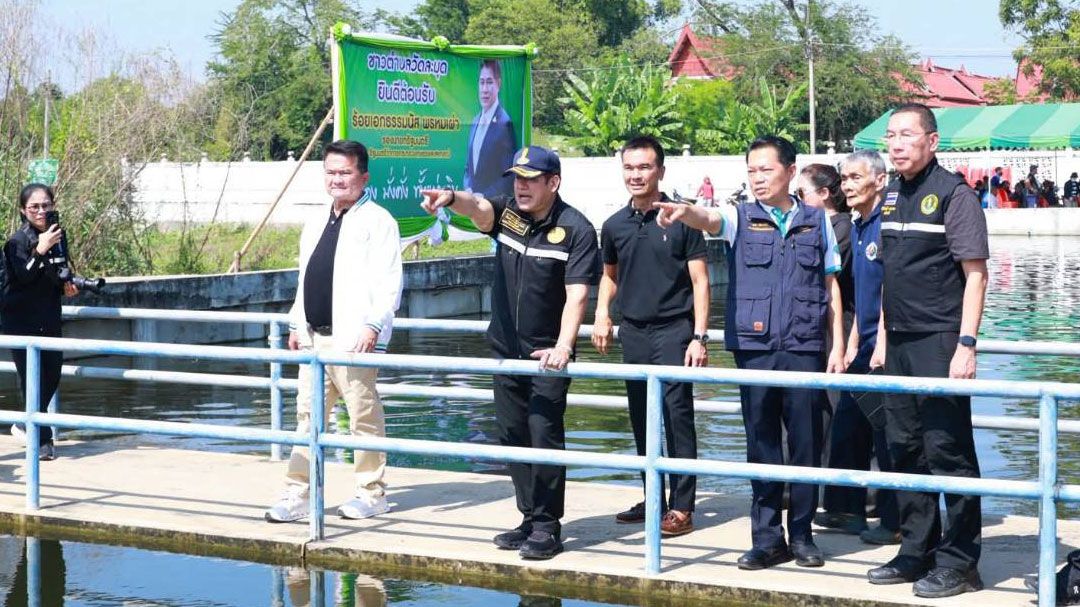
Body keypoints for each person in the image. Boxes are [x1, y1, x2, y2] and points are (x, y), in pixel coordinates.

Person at [656, 135, 846, 571]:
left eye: (766, 169)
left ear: (790, 171)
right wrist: (686, 211)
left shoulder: (817, 222)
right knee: (761, 443)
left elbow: (831, 286)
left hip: (804, 347)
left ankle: (803, 536)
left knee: (806, 444)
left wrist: (836, 346)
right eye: (752, 171)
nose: (758, 178)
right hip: (756, 348)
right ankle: (767, 539)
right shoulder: (740, 217)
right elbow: (709, 219)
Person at [421, 146, 601, 560]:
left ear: (553, 183)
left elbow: (577, 296)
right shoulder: (508, 214)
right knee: (512, 436)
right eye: (517, 178)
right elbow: (478, 207)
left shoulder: (576, 229)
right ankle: (528, 517)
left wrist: (564, 346)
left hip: (546, 356)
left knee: (543, 436)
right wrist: (451, 198)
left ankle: (548, 526)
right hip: (505, 351)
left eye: (530, 179)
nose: (521, 187)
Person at [867, 102, 988, 598]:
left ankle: (960, 563)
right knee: (904, 449)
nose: (896, 145)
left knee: (947, 450)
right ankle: (917, 550)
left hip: (940, 341)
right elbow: (891, 275)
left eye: (907, 135)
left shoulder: (955, 195)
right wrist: (881, 337)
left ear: (932, 141)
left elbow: (976, 275)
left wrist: (966, 345)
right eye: (891, 136)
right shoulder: (892, 193)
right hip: (899, 340)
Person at [265, 140, 403, 523]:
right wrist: (297, 322)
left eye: (345, 172)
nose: (337, 179)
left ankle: (371, 493)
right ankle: (298, 493)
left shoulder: (379, 221)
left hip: (355, 340)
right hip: (314, 338)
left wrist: (374, 325)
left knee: (363, 417)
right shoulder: (315, 220)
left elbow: (390, 280)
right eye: (330, 172)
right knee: (308, 418)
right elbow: (305, 277)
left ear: (364, 177)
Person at [592, 136, 709, 537]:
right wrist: (602, 314)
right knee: (642, 418)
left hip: (675, 331)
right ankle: (653, 497)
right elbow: (609, 276)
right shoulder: (614, 225)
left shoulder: (682, 219)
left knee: (678, 418)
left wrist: (700, 337)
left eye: (644, 167)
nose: (636, 175)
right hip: (634, 332)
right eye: (629, 167)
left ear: (660, 170)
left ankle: (682, 507)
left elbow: (700, 281)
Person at [817, 150, 901, 546]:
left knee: (887, 434)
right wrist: (850, 342)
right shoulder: (859, 225)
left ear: (879, 180)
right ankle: (845, 509)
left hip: (884, 345)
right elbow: (860, 294)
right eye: (844, 178)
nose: (847, 185)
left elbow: (890, 290)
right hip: (862, 342)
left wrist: (881, 341)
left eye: (855, 177)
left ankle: (894, 519)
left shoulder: (887, 224)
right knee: (848, 424)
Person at [2, 183, 82, 462]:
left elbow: (58, 269)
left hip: (47, 314)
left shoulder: (58, 234)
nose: (41, 211)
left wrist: (67, 285)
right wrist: (40, 248)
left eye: (46, 205)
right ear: (23, 210)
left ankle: (26, 424)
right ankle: (43, 441)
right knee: (32, 379)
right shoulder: (16, 242)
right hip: (20, 318)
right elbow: (23, 277)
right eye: (34, 206)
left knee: (52, 374)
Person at [463, 59, 517, 200]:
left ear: (498, 84)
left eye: (489, 82)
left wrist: (485, 196)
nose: (485, 89)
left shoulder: (504, 123)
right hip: (472, 203)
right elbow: (469, 168)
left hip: (492, 204)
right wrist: (468, 188)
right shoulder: (475, 121)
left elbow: (509, 174)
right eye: (482, 82)